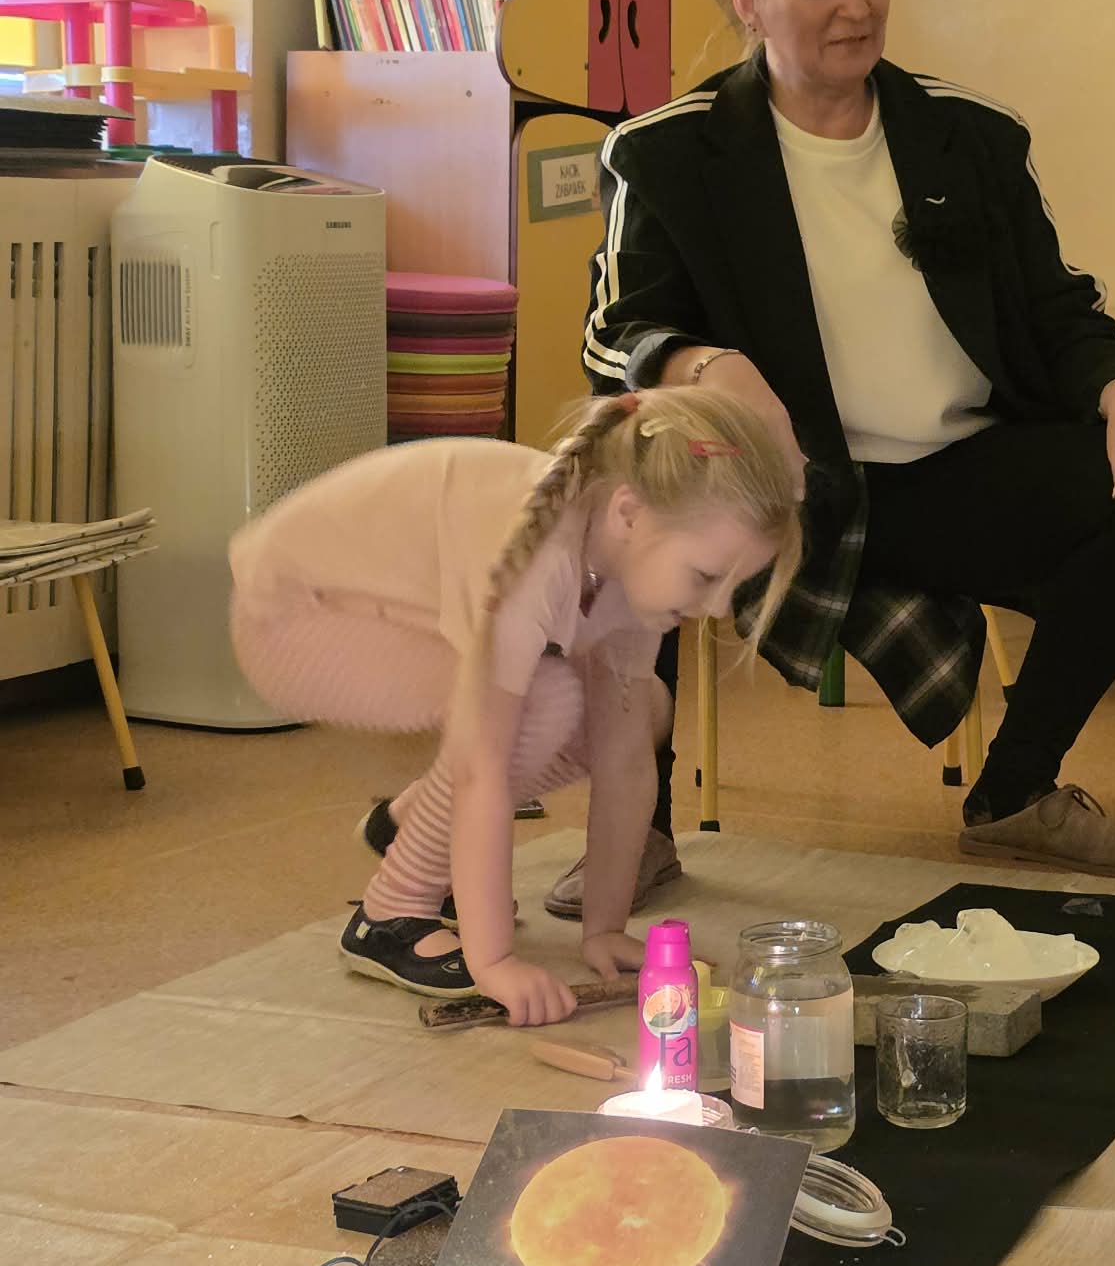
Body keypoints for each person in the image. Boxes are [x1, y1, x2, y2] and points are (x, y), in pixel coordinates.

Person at [577, 0, 1115, 884]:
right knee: (629, 502)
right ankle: (635, 830)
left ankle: (1016, 794)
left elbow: (1059, 309)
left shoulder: (971, 138)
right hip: (784, 490)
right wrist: (703, 365)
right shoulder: (666, 153)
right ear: (749, 2)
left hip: (951, 481)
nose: (856, 4)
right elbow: (618, 333)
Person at [227, 390, 802, 1026]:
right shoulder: (537, 559)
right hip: (295, 618)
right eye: (707, 576)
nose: (717, 609)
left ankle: (414, 826)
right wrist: (494, 960)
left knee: (640, 709)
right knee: (540, 703)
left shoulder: (626, 559)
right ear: (629, 513)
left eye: (734, 585)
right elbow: (483, 767)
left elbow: (624, 757)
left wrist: (604, 929)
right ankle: (390, 914)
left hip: (372, 611)